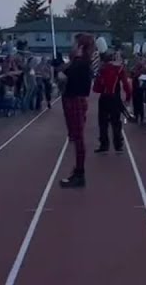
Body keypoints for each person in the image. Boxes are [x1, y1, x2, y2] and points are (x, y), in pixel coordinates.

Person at [58, 34, 96, 188]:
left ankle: (80, 173)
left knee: (78, 138)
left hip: (74, 100)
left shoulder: (80, 64)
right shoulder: (80, 62)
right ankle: (78, 172)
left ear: (80, 46)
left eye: (75, 43)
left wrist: (62, 75)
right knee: (76, 136)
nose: (72, 46)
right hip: (74, 100)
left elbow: (64, 77)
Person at [92, 50, 132, 153]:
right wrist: (128, 97)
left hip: (104, 97)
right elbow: (126, 84)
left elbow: (96, 88)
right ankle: (118, 145)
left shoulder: (102, 69)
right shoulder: (119, 69)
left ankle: (104, 145)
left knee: (103, 122)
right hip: (115, 97)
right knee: (116, 122)